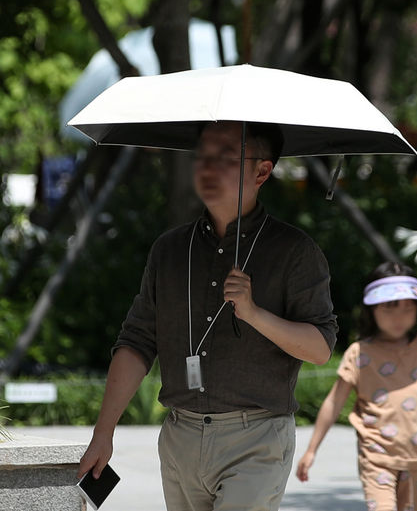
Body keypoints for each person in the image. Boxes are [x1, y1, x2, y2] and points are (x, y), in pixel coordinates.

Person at [77, 121, 338, 511]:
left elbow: (320, 349)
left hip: (256, 437)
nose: (208, 167)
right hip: (180, 436)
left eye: (226, 157)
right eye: (203, 156)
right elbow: (136, 342)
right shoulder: (169, 249)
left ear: (262, 171)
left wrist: (253, 313)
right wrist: (103, 433)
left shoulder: (294, 251)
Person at [296, 261, 417, 511]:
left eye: (408, 307)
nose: (399, 317)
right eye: (389, 307)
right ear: (371, 310)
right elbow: (334, 402)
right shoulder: (360, 353)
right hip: (376, 456)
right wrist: (311, 450)